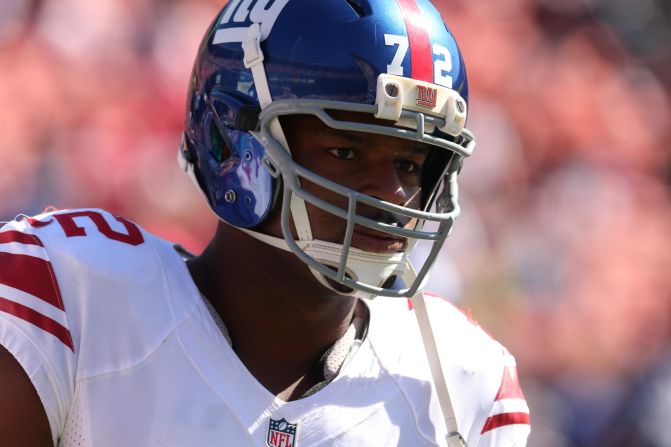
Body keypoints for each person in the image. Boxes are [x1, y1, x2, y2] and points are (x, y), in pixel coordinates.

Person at [0, 0, 530, 445]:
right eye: (345, 151)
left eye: (410, 164)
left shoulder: (459, 385)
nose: (391, 194)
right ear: (232, 143)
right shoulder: (77, 301)